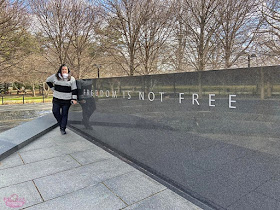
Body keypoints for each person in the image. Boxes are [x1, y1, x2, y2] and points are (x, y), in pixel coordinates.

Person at [46, 64, 78, 134]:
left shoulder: (71, 79)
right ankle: (61, 124)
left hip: (66, 100)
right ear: (60, 70)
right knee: (55, 112)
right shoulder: (55, 76)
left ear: (68, 71)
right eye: (63, 69)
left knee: (64, 114)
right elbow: (47, 81)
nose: (64, 71)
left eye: (65, 69)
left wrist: (74, 99)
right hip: (57, 99)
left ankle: (62, 128)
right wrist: (53, 89)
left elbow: (74, 89)